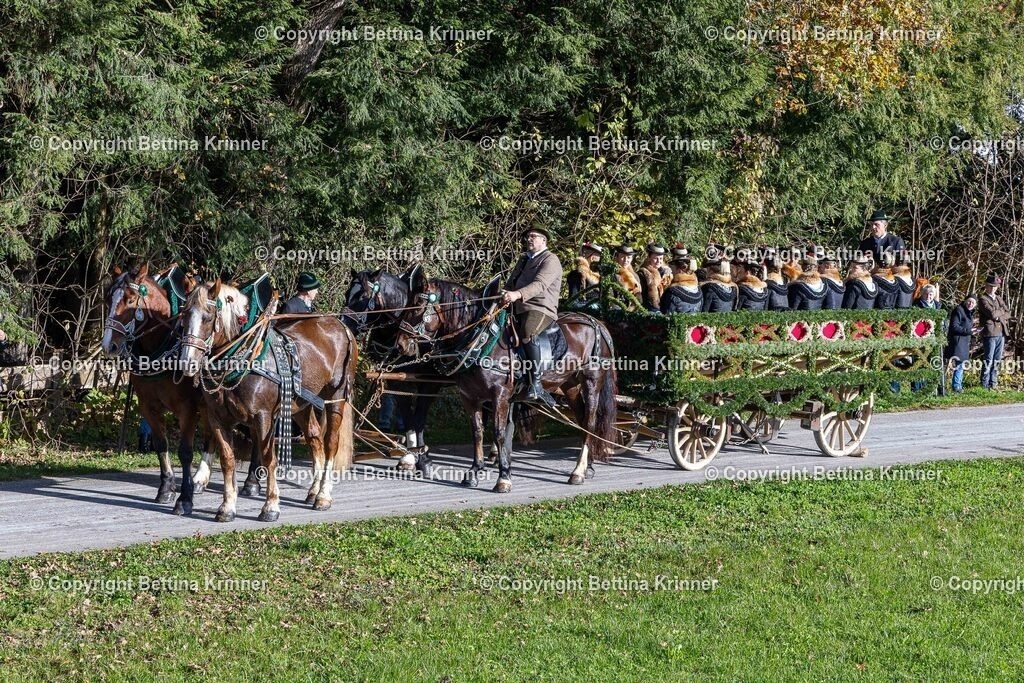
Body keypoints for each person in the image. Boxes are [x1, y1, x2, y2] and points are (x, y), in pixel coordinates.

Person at [503, 224, 564, 407]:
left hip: (541, 307)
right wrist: (505, 293)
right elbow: (511, 282)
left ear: (543, 240)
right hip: (518, 305)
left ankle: (535, 384)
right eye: (528, 236)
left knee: (528, 332)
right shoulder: (523, 260)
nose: (529, 239)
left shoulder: (551, 259)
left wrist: (516, 295)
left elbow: (540, 285)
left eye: (533, 236)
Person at [978, 274, 1011, 390]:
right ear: (986, 286)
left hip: (1001, 332)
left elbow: (1008, 313)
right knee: (988, 358)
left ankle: (993, 382)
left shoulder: (998, 298)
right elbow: (991, 314)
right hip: (990, 333)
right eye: (990, 286)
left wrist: (999, 315)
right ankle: (984, 383)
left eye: (995, 287)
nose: (993, 289)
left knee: (997, 359)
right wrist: (1000, 312)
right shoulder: (982, 299)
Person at [946, 295, 977, 393]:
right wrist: (969, 331)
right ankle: (956, 386)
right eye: (969, 302)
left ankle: (957, 385)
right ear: (965, 301)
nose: (970, 304)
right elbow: (954, 327)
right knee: (958, 365)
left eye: (973, 303)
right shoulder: (959, 310)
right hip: (957, 342)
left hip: (964, 342)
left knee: (961, 365)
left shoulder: (970, 313)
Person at [638, 244, 672, 313]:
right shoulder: (643, 273)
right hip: (649, 310)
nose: (658, 261)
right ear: (649, 258)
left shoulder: (666, 273)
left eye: (661, 259)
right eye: (656, 258)